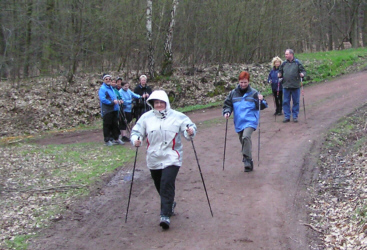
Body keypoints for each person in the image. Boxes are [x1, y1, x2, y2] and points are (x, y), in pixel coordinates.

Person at [130, 90, 197, 230]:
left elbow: (189, 129)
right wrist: (136, 140)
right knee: (159, 184)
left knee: (167, 183)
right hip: (153, 157)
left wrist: (190, 131)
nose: (159, 105)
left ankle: (164, 215)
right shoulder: (146, 117)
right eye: (156, 102)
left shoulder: (178, 116)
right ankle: (170, 203)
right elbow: (137, 132)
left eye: (161, 102)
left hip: (172, 156)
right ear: (152, 103)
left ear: (166, 103)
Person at [223, 71, 267, 172]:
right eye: (241, 82)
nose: (243, 84)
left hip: (251, 120)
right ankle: (249, 160)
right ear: (238, 82)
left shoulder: (254, 93)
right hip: (239, 121)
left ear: (248, 82)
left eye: (245, 82)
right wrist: (227, 112)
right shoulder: (233, 93)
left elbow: (262, 106)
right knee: (243, 141)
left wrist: (261, 100)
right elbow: (227, 105)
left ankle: (246, 160)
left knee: (246, 137)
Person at [277, 49, 306, 123]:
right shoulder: (283, 63)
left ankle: (295, 116)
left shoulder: (297, 63)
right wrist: (279, 74)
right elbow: (280, 71)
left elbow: (303, 71)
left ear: (291, 54)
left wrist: (302, 74)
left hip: (295, 85)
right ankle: (287, 116)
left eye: (287, 54)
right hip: (286, 85)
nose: (285, 55)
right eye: (285, 54)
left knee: (296, 101)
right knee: (286, 101)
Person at [98, 74, 125, 146]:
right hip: (107, 109)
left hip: (114, 109)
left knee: (115, 124)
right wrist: (112, 102)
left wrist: (118, 101)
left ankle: (116, 138)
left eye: (109, 79)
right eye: (106, 79)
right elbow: (103, 99)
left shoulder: (112, 88)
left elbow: (114, 97)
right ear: (104, 80)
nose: (108, 80)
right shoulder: (103, 88)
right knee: (107, 125)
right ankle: (107, 140)